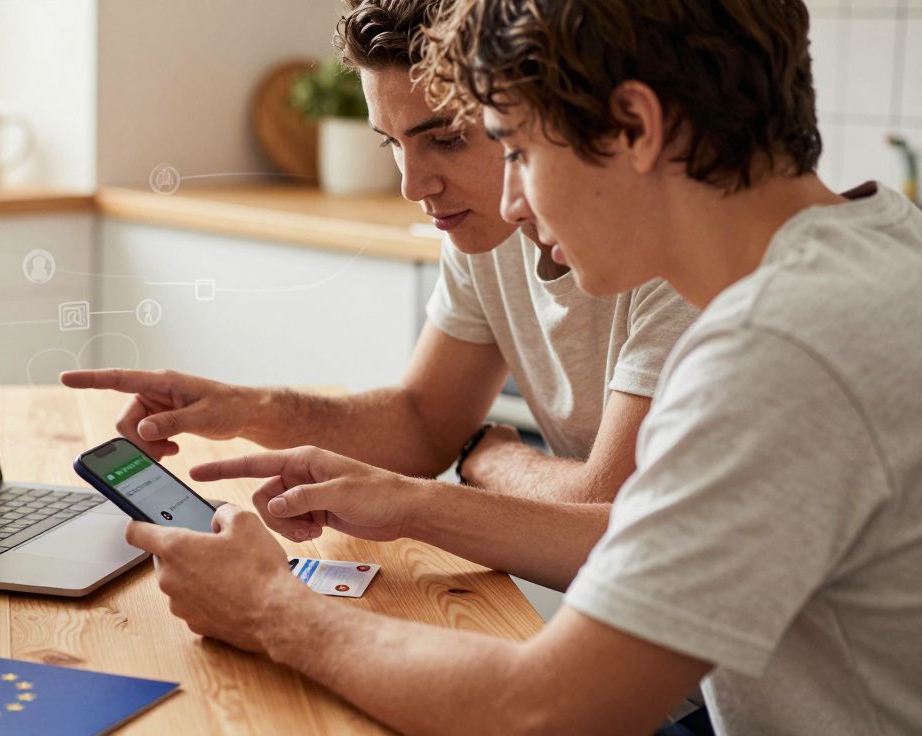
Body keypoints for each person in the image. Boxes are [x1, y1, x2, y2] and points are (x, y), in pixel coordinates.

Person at [114, 0, 922, 733]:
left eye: (517, 149)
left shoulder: (774, 353)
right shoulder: (884, 244)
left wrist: (269, 609)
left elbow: (545, 710)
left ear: (636, 126)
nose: (512, 205)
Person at [64, 0, 697, 530]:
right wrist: (245, 408)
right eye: (391, 144)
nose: (414, 186)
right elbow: (424, 424)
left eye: (445, 139)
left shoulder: (677, 253)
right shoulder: (483, 229)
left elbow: (612, 514)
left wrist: (489, 460)